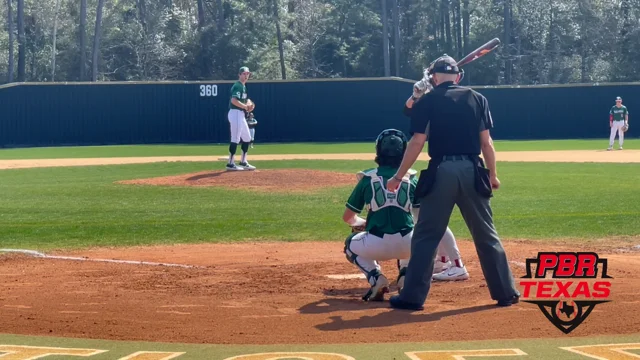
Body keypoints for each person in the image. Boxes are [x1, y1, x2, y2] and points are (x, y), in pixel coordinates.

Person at [386, 55, 520, 311]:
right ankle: (506, 292)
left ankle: (412, 297)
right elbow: (486, 143)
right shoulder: (477, 98)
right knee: (486, 234)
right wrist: (492, 174)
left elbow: (416, 142)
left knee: (426, 236)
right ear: (458, 77)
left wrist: (398, 176)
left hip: (441, 171)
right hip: (472, 169)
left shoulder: (428, 100)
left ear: (434, 78)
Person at [342, 128, 462, 302]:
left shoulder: (367, 178)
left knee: (349, 245)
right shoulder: (412, 178)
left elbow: (348, 217)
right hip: (408, 245)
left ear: (378, 150)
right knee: (414, 234)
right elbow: (422, 216)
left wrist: (362, 223)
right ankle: (405, 275)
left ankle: (376, 278)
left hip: (375, 244)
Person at [402, 77, 469, 281]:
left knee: (430, 216)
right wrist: (416, 95)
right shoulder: (432, 97)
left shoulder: (459, 98)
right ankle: (443, 260)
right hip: (435, 161)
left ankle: (457, 264)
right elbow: (407, 110)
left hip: (448, 161)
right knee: (425, 215)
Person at [226, 66, 256, 171]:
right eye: (244, 73)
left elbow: (245, 99)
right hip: (235, 113)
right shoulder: (238, 85)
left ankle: (243, 161)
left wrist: (249, 103)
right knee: (235, 138)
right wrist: (245, 106)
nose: (246, 75)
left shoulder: (243, 87)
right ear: (239, 75)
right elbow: (233, 101)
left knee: (247, 138)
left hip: (240, 114)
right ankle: (230, 163)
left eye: (247, 74)